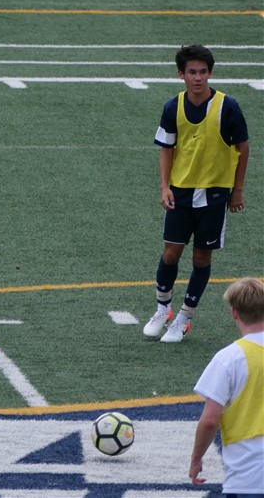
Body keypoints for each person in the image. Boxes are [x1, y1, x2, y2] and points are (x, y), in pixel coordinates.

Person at [142, 45, 250, 343]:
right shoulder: (172, 107)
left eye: (203, 72)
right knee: (171, 252)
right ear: (181, 75)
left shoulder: (228, 107)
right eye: (192, 72)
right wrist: (165, 187)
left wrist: (238, 190)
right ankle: (162, 309)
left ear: (210, 73)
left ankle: (184, 318)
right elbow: (166, 149)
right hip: (181, 193)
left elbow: (243, 148)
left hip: (215, 195)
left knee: (201, 258)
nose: (198, 77)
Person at [188, 277, 264, 494]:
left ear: (234, 313)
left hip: (250, 475)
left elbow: (210, 420)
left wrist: (196, 458)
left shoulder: (229, 358)